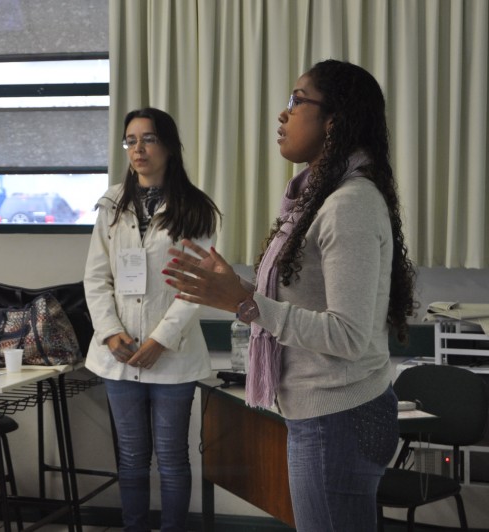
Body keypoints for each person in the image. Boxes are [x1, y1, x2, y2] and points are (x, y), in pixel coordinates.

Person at [163, 60, 417, 532]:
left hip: (338, 416)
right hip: (329, 414)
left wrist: (246, 303)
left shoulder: (349, 205)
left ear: (334, 120)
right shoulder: (318, 198)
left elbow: (348, 335)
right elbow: (309, 303)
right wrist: (241, 289)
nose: (283, 115)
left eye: (298, 101)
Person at [84, 107, 221, 531]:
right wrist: (110, 334)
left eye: (148, 139)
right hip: (119, 353)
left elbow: (194, 288)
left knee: (172, 456)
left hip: (173, 355)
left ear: (169, 146)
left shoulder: (197, 210)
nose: (138, 149)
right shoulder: (111, 205)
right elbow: (96, 276)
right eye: (131, 140)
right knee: (130, 456)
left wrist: (160, 339)